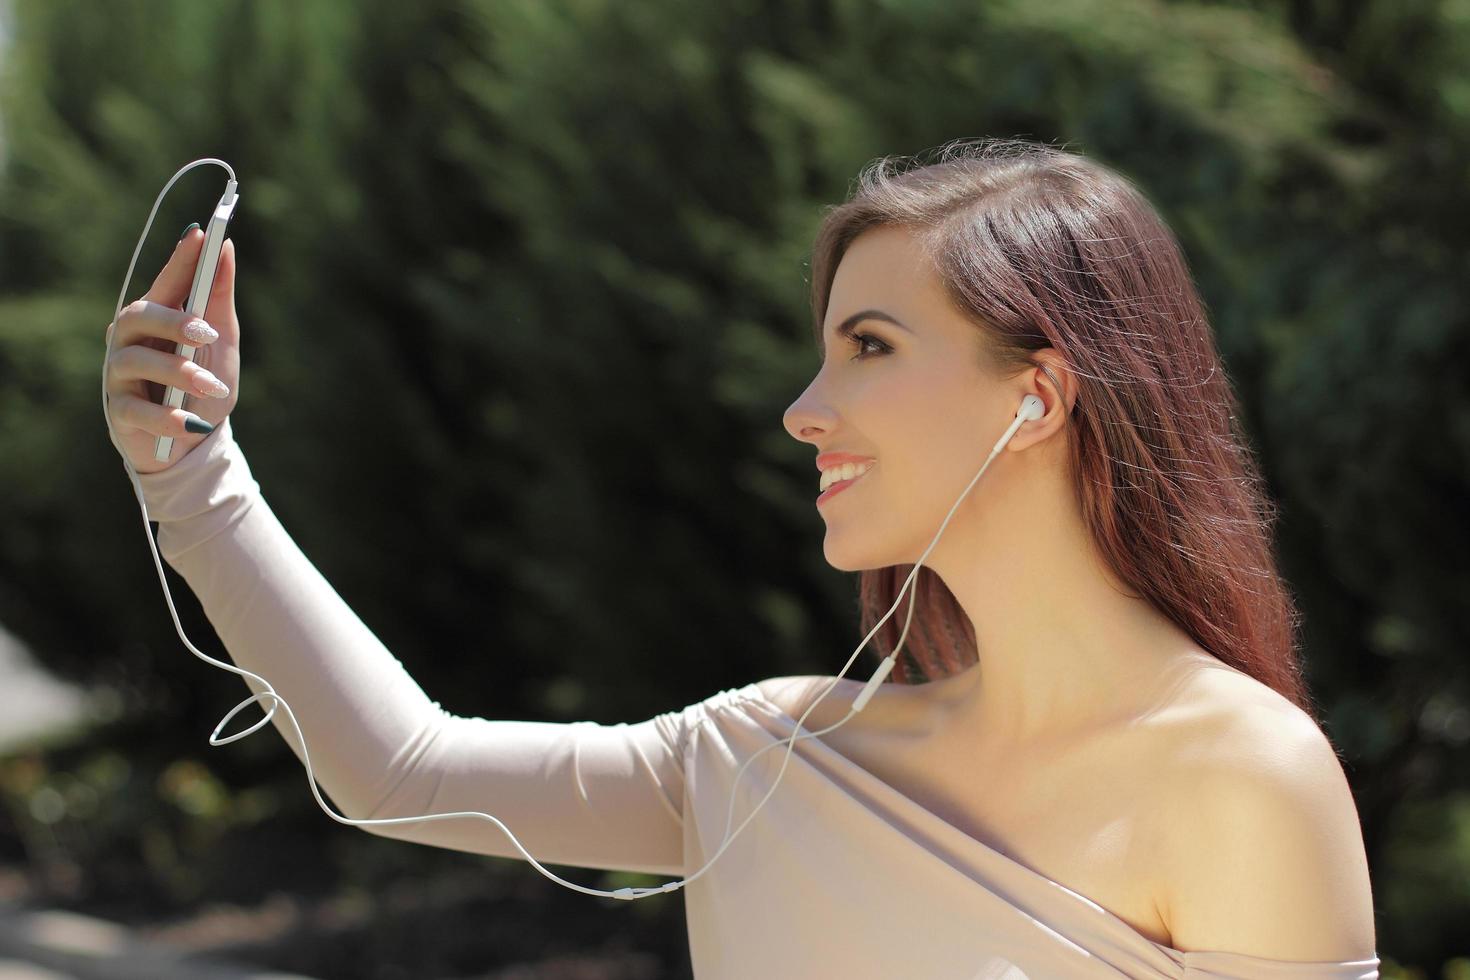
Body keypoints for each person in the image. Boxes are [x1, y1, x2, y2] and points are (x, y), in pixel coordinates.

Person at [103, 137, 1380, 978]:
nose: (803, 408)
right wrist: (192, 469)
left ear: (1037, 394)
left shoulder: (1242, 777)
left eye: (869, 346)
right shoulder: (773, 756)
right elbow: (403, 768)